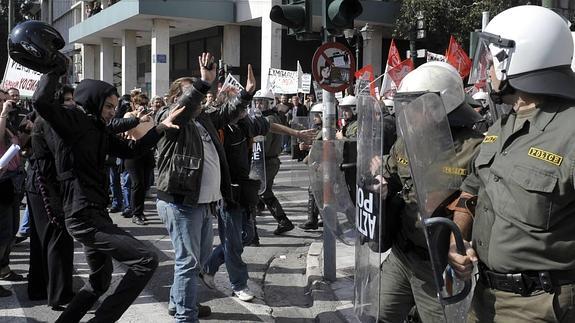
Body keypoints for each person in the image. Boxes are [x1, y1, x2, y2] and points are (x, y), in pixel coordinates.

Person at [448, 6, 575, 323]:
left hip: (541, 306)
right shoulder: (501, 126)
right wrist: (456, 241)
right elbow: (471, 191)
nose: (487, 69)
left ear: (511, 63)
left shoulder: (571, 130)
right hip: (486, 297)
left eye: (491, 60)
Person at [32, 58, 183, 322]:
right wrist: (56, 68)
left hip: (95, 214)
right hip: (83, 216)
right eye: (109, 106)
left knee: (100, 282)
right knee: (147, 260)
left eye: (115, 106)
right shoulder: (73, 122)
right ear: (93, 101)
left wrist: (160, 127)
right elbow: (41, 103)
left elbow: (132, 150)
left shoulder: (96, 129)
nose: (113, 111)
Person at [375, 62, 484, 322]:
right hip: (402, 255)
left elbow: (481, 204)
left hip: (438, 267)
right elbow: (390, 171)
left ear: (440, 106)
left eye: (417, 104)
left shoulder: (476, 150)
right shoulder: (407, 142)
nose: (409, 112)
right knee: (378, 314)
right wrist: (381, 181)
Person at [155, 52, 235, 322]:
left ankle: (180, 303)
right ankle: (185, 316)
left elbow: (228, 112)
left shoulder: (202, 120)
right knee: (187, 263)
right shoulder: (171, 117)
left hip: (202, 204)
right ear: (176, 97)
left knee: (196, 262)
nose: (199, 99)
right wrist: (202, 84)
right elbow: (185, 107)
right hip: (181, 202)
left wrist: (246, 95)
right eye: (192, 94)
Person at [202, 64, 264, 303]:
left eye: (245, 107)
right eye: (239, 106)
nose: (243, 110)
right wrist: (245, 94)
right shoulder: (218, 127)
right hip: (227, 193)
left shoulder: (245, 124)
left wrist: (297, 134)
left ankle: (208, 266)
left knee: (247, 236)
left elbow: (268, 126)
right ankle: (239, 284)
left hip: (246, 191)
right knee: (234, 243)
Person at [123, 93, 155, 225]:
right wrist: (138, 117)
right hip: (133, 151)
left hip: (147, 152)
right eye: (140, 104)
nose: (143, 106)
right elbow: (127, 133)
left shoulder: (150, 117)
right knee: (137, 183)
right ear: (134, 104)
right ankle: (136, 213)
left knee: (145, 184)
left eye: (145, 104)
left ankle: (139, 211)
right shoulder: (129, 116)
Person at [298, 102, 323, 230]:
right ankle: (322, 218)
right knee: (318, 192)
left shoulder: (326, 131)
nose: (314, 118)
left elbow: (322, 148)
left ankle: (312, 220)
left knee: (314, 191)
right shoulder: (319, 130)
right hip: (317, 164)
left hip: (321, 165)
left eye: (317, 116)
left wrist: (308, 149)